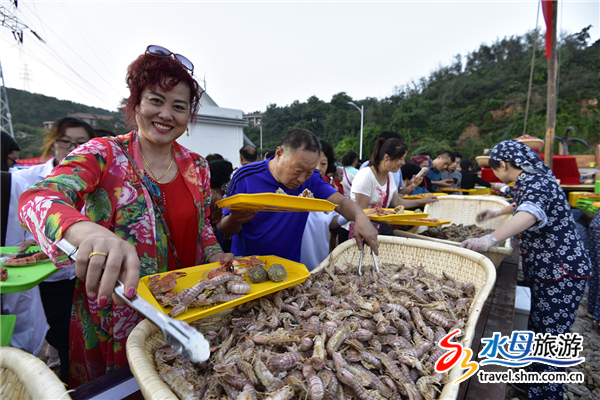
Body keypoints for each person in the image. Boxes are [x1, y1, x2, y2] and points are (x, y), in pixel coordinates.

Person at [19, 45, 234, 388]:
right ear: (135, 104)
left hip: (183, 309)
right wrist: (84, 231)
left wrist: (215, 256)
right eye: (155, 100)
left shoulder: (197, 166)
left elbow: (203, 227)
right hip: (116, 312)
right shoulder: (103, 153)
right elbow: (39, 197)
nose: (166, 114)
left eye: (179, 106)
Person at [461, 140, 592, 400]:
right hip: (549, 271)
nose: (494, 173)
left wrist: (489, 239)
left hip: (560, 271)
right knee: (540, 328)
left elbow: (530, 212)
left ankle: (546, 394)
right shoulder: (532, 179)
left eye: (494, 169)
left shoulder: (537, 182)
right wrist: (495, 212)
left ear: (503, 165)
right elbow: (520, 204)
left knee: (551, 338)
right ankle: (536, 384)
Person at [14, 116, 95, 383]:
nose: (72, 149)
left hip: (71, 278)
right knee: (26, 345)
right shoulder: (26, 179)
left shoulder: (94, 183)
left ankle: (69, 384)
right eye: (65, 142)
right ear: (53, 143)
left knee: (67, 339)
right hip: (29, 279)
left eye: (81, 143)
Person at [221, 128, 378, 262]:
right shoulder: (245, 177)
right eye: (297, 171)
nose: (302, 179)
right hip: (248, 264)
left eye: (308, 172)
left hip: (289, 267)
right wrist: (236, 218)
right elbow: (225, 229)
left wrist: (360, 216)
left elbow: (341, 202)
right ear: (279, 153)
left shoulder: (313, 179)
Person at [0, 135, 49, 359]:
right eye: (11, 161)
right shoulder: (13, 184)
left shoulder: (14, 184)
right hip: (14, 284)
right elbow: (33, 230)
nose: (12, 166)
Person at [343, 138, 438, 237]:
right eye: (401, 159)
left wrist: (424, 200)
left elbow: (396, 202)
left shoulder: (389, 176)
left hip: (374, 231)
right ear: (387, 157)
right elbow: (361, 211)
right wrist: (388, 222)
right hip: (359, 231)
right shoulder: (366, 175)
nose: (403, 163)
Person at [300, 139, 346, 270]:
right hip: (299, 262)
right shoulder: (296, 186)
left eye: (323, 164)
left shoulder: (327, 190)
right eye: (314, 162)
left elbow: (329, 220)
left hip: (320, 259)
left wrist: (350, 215)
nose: (318, 168)